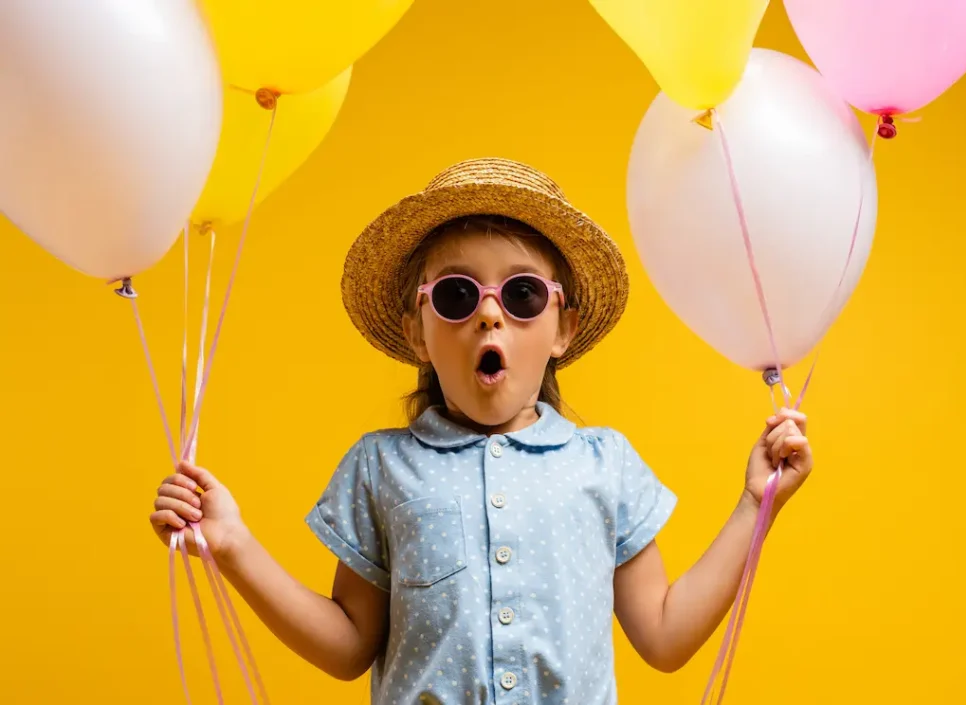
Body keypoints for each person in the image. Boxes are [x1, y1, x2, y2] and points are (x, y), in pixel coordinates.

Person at [150, 158, 813, 704]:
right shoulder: (381, 469)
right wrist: (233, 544)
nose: (490, 317)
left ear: (563, 328)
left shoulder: (604, 464)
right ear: (418, 330)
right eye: (458, 297)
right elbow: (349, 644)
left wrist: (757, 503)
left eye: (521, 295)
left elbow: (665, 636)